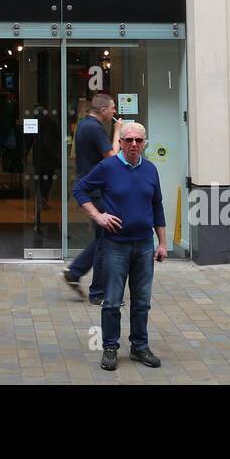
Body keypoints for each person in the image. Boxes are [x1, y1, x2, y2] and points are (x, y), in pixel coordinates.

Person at [73, 121, 167, 371]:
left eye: (139, 140)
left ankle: (139, 346)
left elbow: (157, 205)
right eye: (129, 140)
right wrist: (98, 216)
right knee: (112, 301)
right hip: (116, 246)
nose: (134, 144)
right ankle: (110, 348)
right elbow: (80, 189)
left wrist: (163, 243)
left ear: (145, 143)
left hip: (145, 245)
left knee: (142, 301)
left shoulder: (150, 170)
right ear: (122, 142)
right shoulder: (108, 167)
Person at [62, 92, 119, 303]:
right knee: (105, 240)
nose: (114, 112)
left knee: (103, 238)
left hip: (89, 187)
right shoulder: (95, 129)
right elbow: (112, 157)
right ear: (103, 110)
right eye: (112, 108)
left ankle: (75, 272)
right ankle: (99, 292)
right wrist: (118, 131)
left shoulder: (85, 125)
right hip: (95, 189)